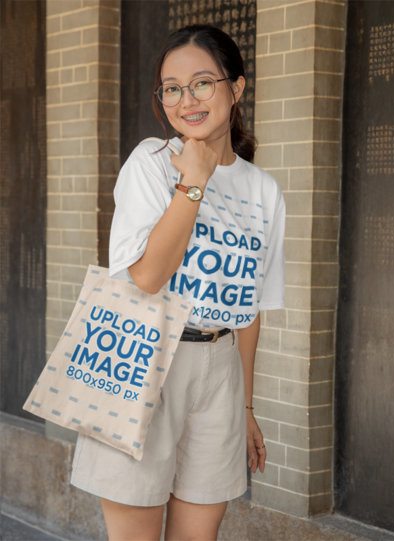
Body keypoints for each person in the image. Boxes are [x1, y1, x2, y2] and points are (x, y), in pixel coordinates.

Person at [70, 24, 285, 541]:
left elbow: (248, 308)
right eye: (171, 87)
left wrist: (248, 407)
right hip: (144, 357)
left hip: (220, 367)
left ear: (236, 88)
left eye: (202, 83)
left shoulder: (263, 190)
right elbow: (146, 277)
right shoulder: (150, 164)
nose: (185, 99)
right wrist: (193, 182)